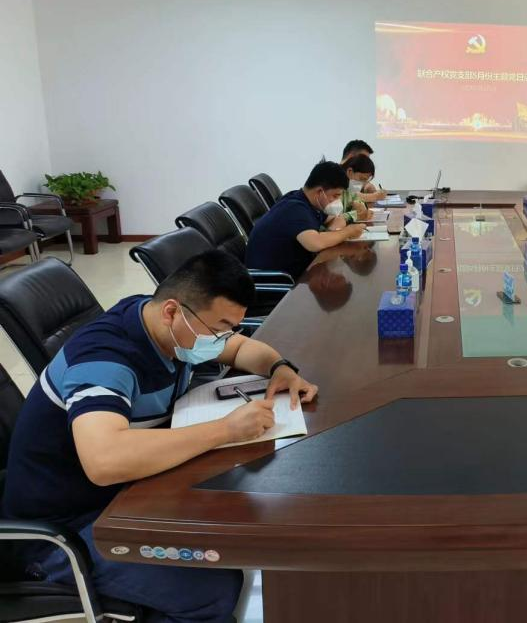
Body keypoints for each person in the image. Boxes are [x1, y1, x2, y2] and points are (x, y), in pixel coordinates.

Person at [2, 250, 319, 623]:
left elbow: (239, 348)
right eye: (219, 326)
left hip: (127, 494)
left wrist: (279, 368)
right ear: (172, 311)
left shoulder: (164, 325)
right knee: (213, 590)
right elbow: (105, 461)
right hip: (65, 532)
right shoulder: (104, 359)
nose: (223, 338)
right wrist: (226, 429)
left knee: (237, 528)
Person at [246, 160, 366, 280]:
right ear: (320, 192)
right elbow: (315, 243)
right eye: (335, 196)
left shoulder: (305, 201)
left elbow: (334, 220)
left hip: (296, 272)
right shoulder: (294, 208)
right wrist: (348, 231)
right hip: (276, 281)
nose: (337, 201)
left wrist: (337, 227)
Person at [332, 153, 376, 225]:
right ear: (350, 171)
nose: (362, 184)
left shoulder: (349, 189)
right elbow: (333, 220)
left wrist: (363, 210)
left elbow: (358, 202)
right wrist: (355, 214)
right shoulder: (334, 187)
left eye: (365, 181)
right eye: (361, 179)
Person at [341, 139, 386, 203]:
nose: (366, 163)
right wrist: (375, 196)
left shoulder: (349, 176)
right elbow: (345, 196)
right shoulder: (333, 173)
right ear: (351, 157)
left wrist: (366, 186)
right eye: (363, 159)